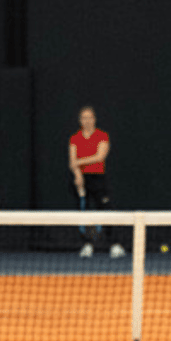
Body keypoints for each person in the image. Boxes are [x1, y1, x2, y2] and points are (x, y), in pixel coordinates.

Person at [68, 105, 124, 258]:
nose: (87, 120)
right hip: (81, 179)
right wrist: (78, 175)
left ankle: (114, 244)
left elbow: (100, 157)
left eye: (90, 117)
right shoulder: (75, 138)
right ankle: (87, 244)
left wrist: (79, 161)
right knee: (84, 213)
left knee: (106, 210)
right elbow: (72, 162)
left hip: (98, 178)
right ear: (80, 120)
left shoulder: (102, 136)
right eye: (84, 118)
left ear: (94, 119)